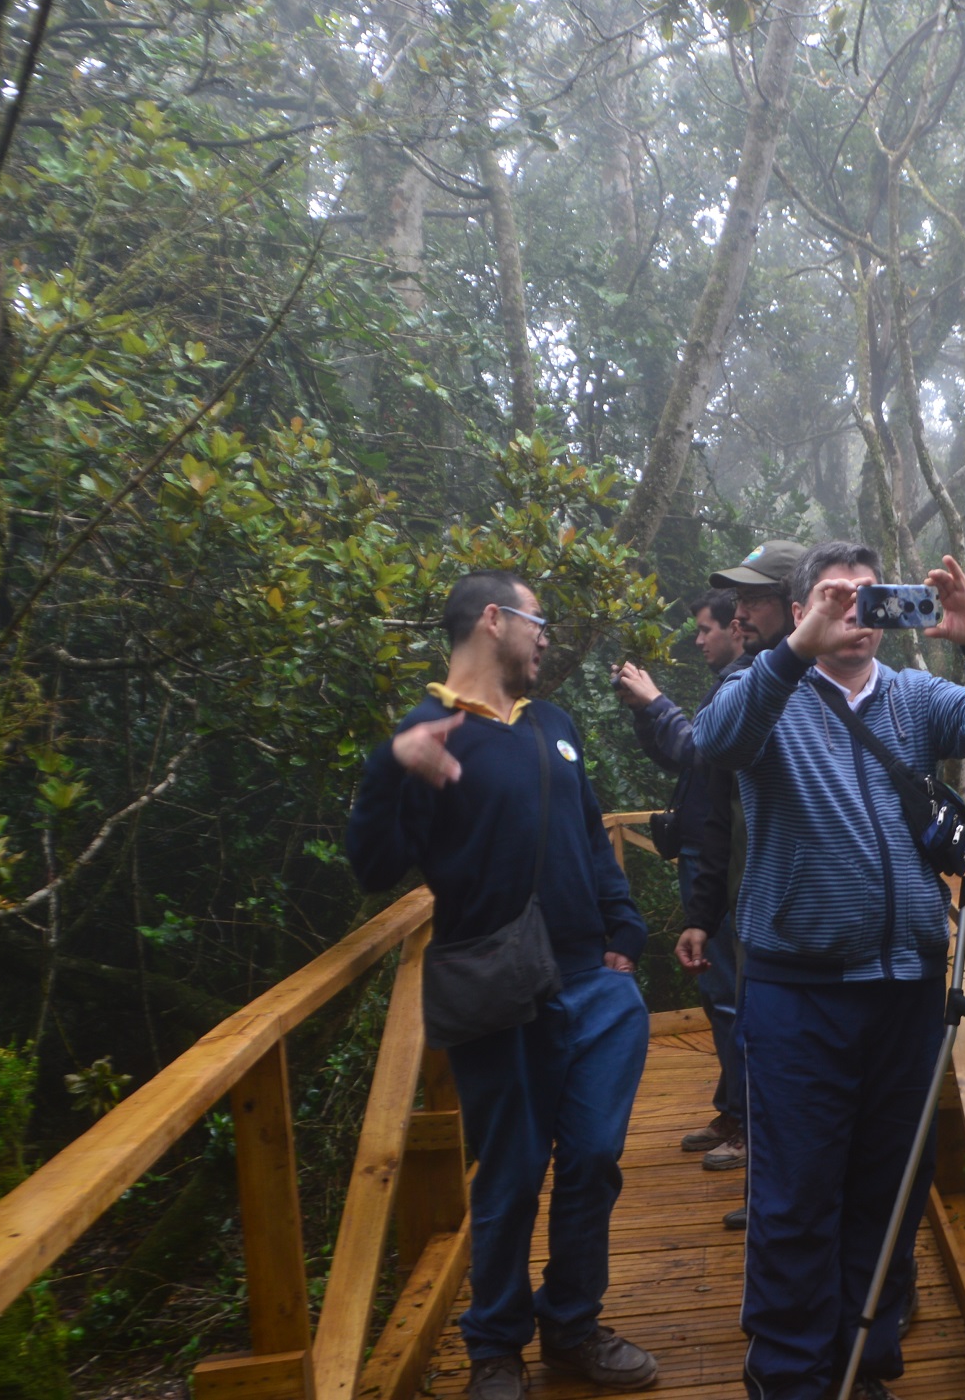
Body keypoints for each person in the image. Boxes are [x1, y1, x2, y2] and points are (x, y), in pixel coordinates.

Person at [689, 542, 965, 1400]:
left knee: (888, 1191)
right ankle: (791, 1378)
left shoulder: (912, 699)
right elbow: (716, 743)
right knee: (797, 1196)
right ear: (800, 607)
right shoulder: (761, 691)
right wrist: (794, 649)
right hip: (798, 994)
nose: (858, 612)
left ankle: (863, 1366)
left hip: (906, 990)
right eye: (836, 598)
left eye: (871, 597)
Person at [347, 570, 659, 1400]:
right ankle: (495, 1348)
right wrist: (391, 768)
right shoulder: (428, 731)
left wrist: (624, 929)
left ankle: (573, 1324)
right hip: (497, 985)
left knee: (593, 1157)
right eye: (537, 620)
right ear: (494, 620)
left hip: (592, 981)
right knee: (513, 1168)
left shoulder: (553, 724)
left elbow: (590, 837)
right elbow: (374, 868)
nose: (546, 635)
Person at [675, 540, 805, 1195]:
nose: (739, 614)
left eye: (753, 598)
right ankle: (770, 1193)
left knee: (804, 1072)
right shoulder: (745, 690)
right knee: (763, 1050)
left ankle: (788, 1196)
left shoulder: (840, 685)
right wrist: (703, 913)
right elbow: (719, 810)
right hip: (753, 919)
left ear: (794, 603)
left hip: (814, 931)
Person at [608, 588, 745, 1170]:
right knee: (718, 994)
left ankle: (753, 1123)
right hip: (701, 858)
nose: (697, 639)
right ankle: (736, 1108)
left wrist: (657, 704)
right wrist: (647, 710)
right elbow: (687, 760)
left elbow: (697, 749)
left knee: (738, 995)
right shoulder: (728, 684)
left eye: (705, 628)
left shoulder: (752, 684)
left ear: (737, 628)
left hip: (728, 867)